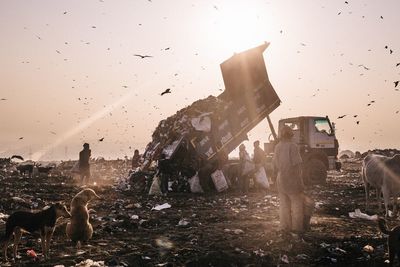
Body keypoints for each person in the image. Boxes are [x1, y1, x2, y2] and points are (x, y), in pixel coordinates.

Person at [272, 125, 305, 235]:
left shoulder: (277, 147)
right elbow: (297, 165)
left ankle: (284, 227)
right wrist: (300, 181)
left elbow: (275, 165)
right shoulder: (293, 146)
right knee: (296, 203)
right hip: (291, 178)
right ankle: (296, 229)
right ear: (291, 135)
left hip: (281, 178)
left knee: (284, 204)